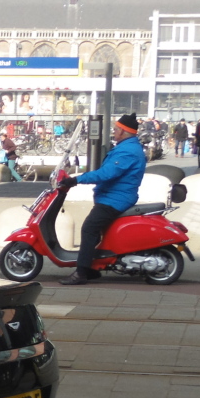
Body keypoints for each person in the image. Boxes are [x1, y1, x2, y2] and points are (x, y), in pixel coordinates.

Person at [57, 113, 147, 285]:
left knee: (89, 228)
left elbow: (107, 174)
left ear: (122, 132)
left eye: (115, 129)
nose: (113, 131)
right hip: (112, 196)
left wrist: (76, 180)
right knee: (96, 232)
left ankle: (81, 273)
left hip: (116, 199)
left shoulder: (128, 151)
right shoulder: (126, 147)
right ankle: (92, 267)